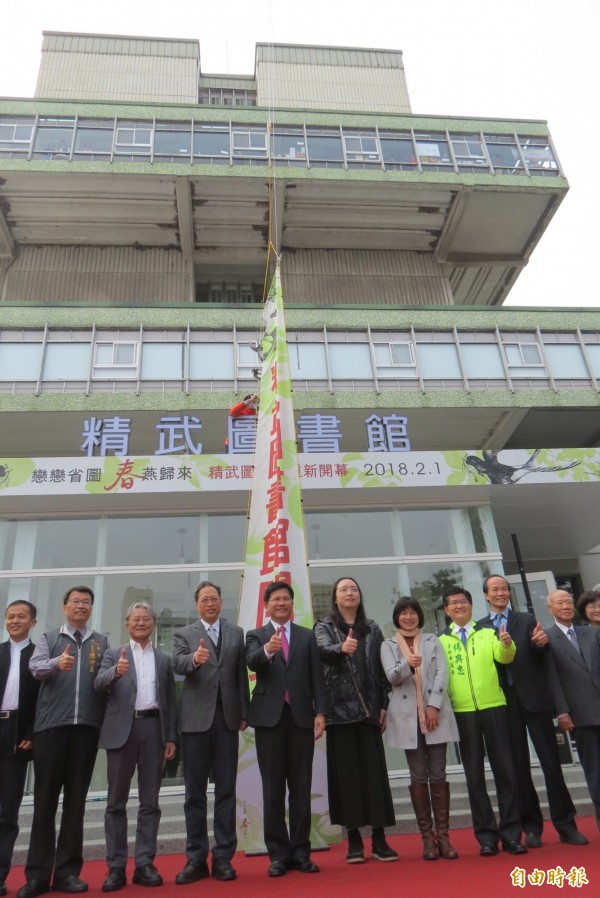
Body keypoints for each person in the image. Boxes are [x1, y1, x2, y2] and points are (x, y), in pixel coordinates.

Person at [476, 575, 587, 848]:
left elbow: (541, 654)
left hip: (535, 700)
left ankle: (566, 824)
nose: (501, 593)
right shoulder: (480, 628)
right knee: (518, 768)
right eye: (495, 590)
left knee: (551, 764)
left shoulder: (525, 620)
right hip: (504, 704)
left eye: (504, 589)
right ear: (486, 596)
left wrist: (541, 643)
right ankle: (531, 826)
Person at [18, 586, 108, 898]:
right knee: (44, 804)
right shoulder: (49, 638)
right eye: (75, 602)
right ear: (65, 607)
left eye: (86, 602)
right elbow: (35, 668)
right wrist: (58, 663)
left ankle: (69, 872)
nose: (81, 606)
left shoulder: (101, 642)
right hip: (51, 731)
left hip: (85, 730)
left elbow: (103, 680)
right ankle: (37, 876)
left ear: (91, 608)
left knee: (75, 806)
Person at [314, 577, 398, 865]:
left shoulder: (372, 629)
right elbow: (323, 652)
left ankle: (379, 838)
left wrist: (384, 704)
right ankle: (353, 840)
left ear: (359, 596)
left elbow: (381, 670)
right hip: (340, 713)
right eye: (343, 590)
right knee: (346, 779)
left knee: (375, 776)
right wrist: (342, 649)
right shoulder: (324, 627)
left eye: (353, 589)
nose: (349, 593)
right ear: (335, 598)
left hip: (370, 711)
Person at [245, 580, 326, 877]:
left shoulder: (307, 636)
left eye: (286, 599)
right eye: (276, 599)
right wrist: (268, 650)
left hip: (303, 718)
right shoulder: (256, 635)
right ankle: (278, 854)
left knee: (302, 788)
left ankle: (302, 852)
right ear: (266, 605)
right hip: (269, 721)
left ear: (293, 605)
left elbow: (317, 677)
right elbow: (252, 663)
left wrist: (321, 712)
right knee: (273, 789)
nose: (281, 603)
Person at [95, 602, 177, 892]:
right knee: (115, 802)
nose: (141, 623)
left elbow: (169, 700)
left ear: (153, 623)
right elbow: (98, 684)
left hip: (154, 729)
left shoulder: (164, 659)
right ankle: (116, 867)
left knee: (150, 802)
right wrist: (115, 671)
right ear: (127, 623)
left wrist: (171, 737)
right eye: (136, 619)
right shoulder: (111, 653)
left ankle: (144, 863)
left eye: (146, 619)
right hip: (122, 731)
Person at [439, 586, 527, 857]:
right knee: (474, 776)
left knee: (506, 773)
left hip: (494, 708)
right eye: (453, 603)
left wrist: (507, 644)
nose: (459, 606)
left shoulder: (488, 632)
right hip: (463, 713)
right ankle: (486, 837)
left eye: (463, 602)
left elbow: (504, 658)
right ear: (446, 610)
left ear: (471, 605)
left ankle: (512, 835)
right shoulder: (441, 640)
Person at [172, 582, 249, 884]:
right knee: (194, 793)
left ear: (221, 602)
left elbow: (241, 674)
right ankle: (195, 859)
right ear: (197, 605)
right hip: (195, 722)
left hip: (227, 720)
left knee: (226, 790)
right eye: (204, 599)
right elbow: (177, 665)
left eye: (214, 599)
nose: (210, 603)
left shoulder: (236, 632)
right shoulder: (184, 634)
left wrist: (244, 712)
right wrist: (194, 660)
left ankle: (223, 858)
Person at [381, 595, 459, 861]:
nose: (408, 616)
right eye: (403, 613)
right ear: (397, 617)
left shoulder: (432, 641)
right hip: (406, 717)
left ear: (419, 616)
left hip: (434, 713)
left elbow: (442, 672)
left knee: (438, 774)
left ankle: (444, 837)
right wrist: (407, 664)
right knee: (418, 776)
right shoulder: (388, 644)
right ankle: (427, 838)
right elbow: (391, 676)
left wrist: (433, 706)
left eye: (413, 612)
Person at [544, 589, 600, 830]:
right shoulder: (546, 638)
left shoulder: (590, 633)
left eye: (568, 601)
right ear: (550, 609)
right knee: (596, 774)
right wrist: (562, 712)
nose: (565, 606)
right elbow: (552, 679)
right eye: (559, 603)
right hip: (581, 715)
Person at [0, 601, 40, 897]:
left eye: (21, 617)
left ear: (32, 622)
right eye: (10, 616)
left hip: (17, 736)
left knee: (7, 812)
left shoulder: (39, 655)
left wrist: (32, 732)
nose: (15, 621)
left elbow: (45, 699)